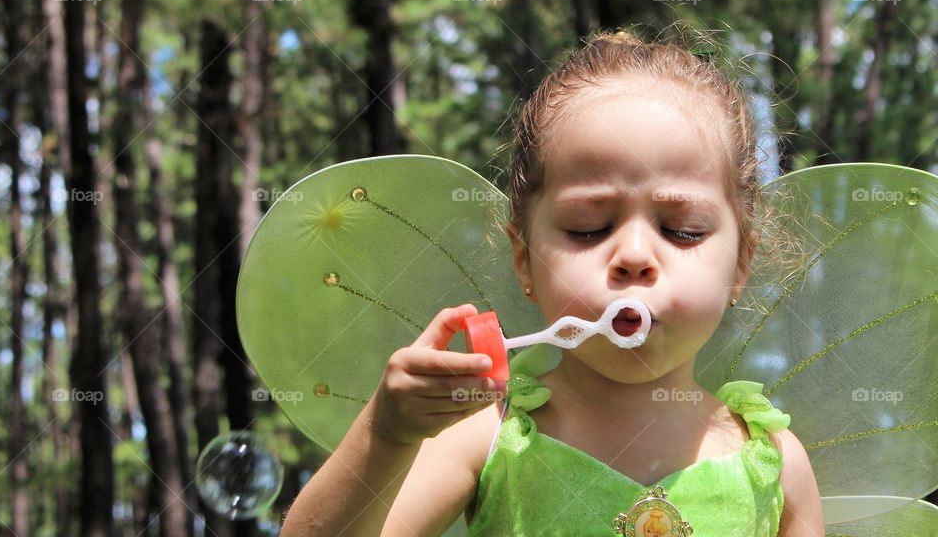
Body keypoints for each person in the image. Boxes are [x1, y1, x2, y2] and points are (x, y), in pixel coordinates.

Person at [280, 30, 825, 536]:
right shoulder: (489, 437)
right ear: (525, 260)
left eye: (681, 231)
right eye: (588, 229)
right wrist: (389, 435)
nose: (634, 256)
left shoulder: (774, 464)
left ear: (740, 266)